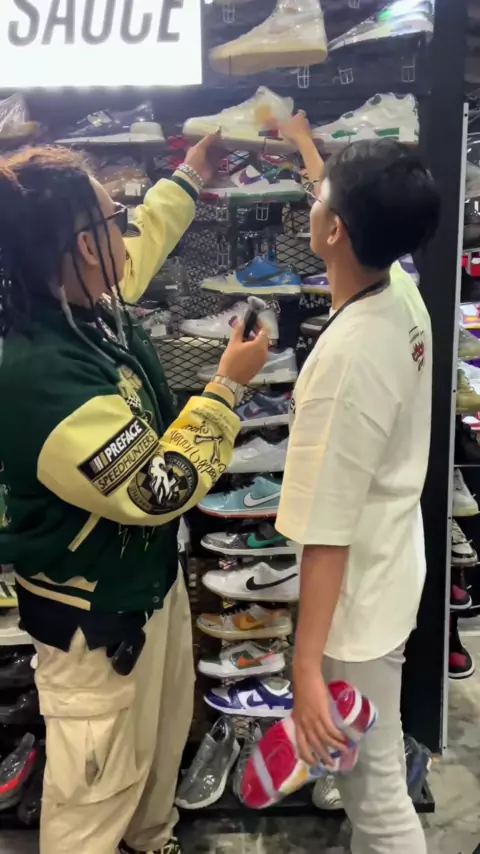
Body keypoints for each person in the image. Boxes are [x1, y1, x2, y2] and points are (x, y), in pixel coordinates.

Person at [0, 138, 268, 854]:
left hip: (143, 587)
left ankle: (153, 840)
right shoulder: (39, 372)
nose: (127, 231)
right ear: (88, 247)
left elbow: (142, 245)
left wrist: (189, 175)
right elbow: (156, 489)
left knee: (155, 753)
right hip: (93, 618)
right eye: (115, 219)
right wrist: (226, 389)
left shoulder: (78, 302)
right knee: (94, 798)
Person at [275, 113, 440, 854]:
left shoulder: (342, 363)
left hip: (355, 606)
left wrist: (307, 666)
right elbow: (342, 201)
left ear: (335, 230)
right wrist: (306, 147)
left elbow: (326, 534)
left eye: (321, 198)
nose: (315, 200)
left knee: (377, 799)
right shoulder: (399, 286)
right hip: (391, 570)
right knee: (374, 768)